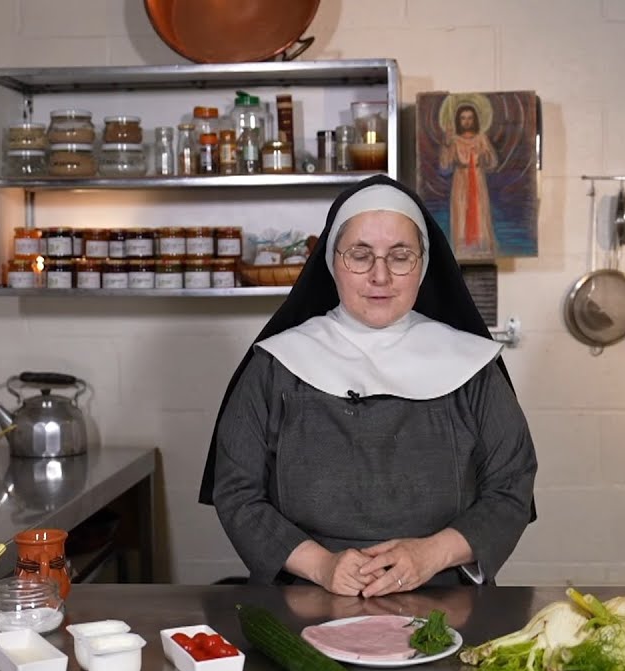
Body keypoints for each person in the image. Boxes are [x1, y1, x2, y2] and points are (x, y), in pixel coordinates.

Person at [200, 175, 537, 597]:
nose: (381, 276)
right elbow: (236, 491)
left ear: (423, 264)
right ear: (331, 261)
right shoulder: (275, 365)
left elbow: (511, 487)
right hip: (303, 594)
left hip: (444, 594)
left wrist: (430, 555)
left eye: (400, 256)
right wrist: (321, 565)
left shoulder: (473, 368)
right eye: (360, 255)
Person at [440, 103, 498, 256]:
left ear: (475, 120)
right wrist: (446, 144)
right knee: (461, 212)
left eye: (470, 118)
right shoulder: (454, 141)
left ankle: (482, 248)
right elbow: (444, 166)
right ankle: (462, 250)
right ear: (459, 121)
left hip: (477, 178)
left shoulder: (481, 138)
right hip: (461, 180)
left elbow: (492, 163)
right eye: (463, 118)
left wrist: (484, 154)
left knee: (480, 211)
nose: (466, 121)